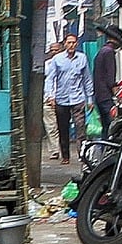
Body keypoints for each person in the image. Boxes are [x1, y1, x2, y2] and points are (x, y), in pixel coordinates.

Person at [45, 33, 91, 165]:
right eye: (69, 42)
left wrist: (89, 99)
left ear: (77, 44)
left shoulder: (82, 58)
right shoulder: (57, 59)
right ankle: (65, 156)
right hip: (61, 99)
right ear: (65, 44)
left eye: (74, 42)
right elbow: (50, 78)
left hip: (78, 98)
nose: (71, 45)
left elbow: (87, 79)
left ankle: (82, 154)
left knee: (80, 128)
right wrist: (50, 96)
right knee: (63, 129)